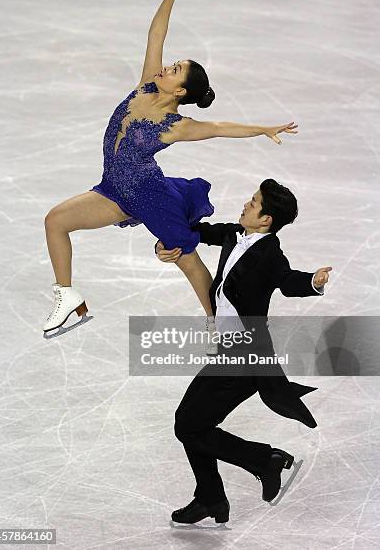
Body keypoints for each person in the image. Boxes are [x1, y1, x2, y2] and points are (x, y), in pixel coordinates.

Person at [43, 0, 298, 334]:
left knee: (188, 261)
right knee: (56, 221)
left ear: (179, 92)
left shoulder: (176, 126)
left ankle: (224, 327)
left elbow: (219, 127)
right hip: (113, 190)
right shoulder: (147, 84)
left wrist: (261, 129)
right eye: (173, 64)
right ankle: (68, 297)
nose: (167, 68)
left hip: (149, 196)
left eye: (175, 70)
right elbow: (155, 37)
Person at [154, 178, 332, 523]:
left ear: (266, 219)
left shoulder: (270, 254)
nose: (246, 204)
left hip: (245, 354)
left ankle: (266, 461)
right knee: (191, 423)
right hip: (227, 350)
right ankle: (211, 499)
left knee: (189, 426)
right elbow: (201, 233)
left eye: (253, 203)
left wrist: (312, 281)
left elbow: (287, 280)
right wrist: (168, 240)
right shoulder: (235, 233)